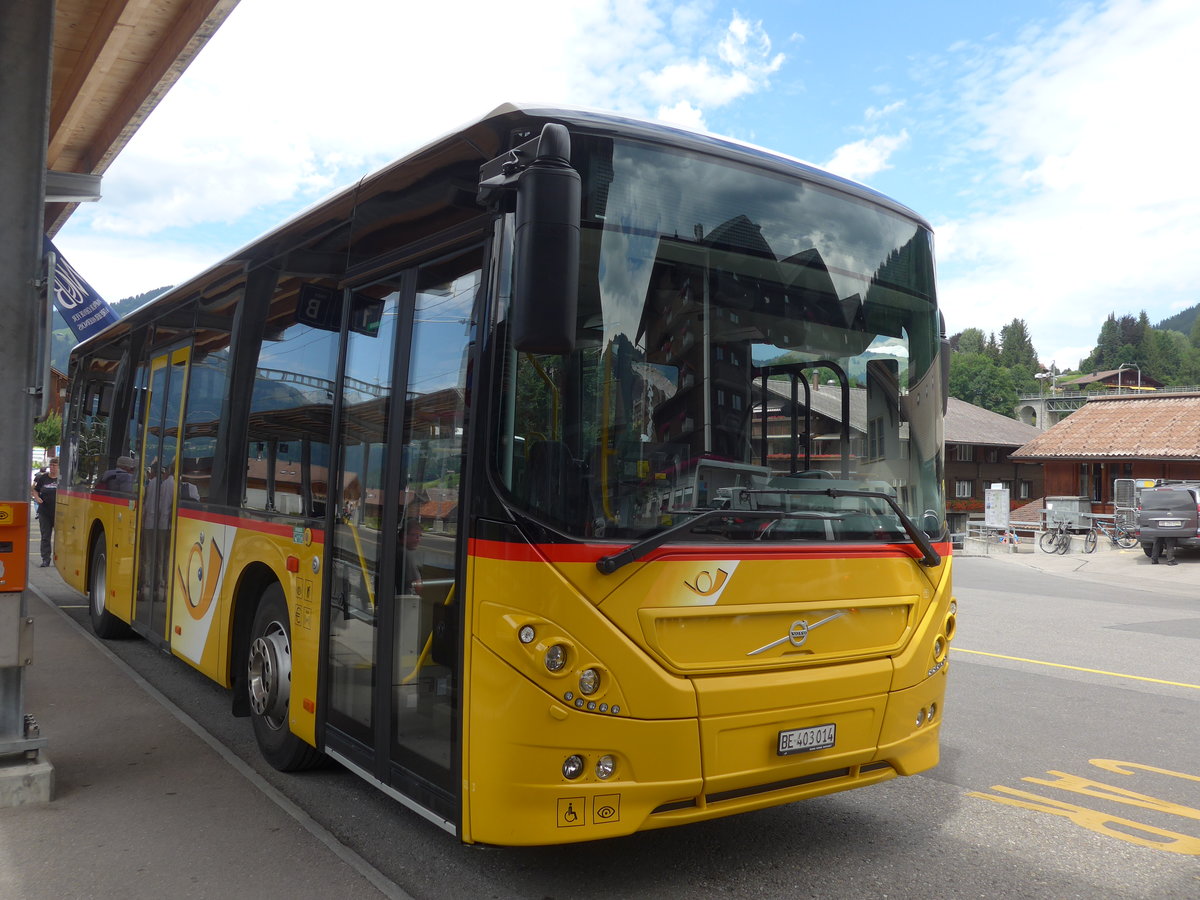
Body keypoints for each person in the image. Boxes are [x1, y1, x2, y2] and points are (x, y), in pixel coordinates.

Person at [31, 457, 59, 567]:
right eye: (51, 465)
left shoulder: (61, 479)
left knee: (60, 538)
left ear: (59, 467)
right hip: (44, 512)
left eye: (55, 465)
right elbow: (35, 489)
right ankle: (45, 559)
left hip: (59, 513)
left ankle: (59, 559)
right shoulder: (43, 478)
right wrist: (37, 497)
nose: (52, 467)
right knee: (45, 537)